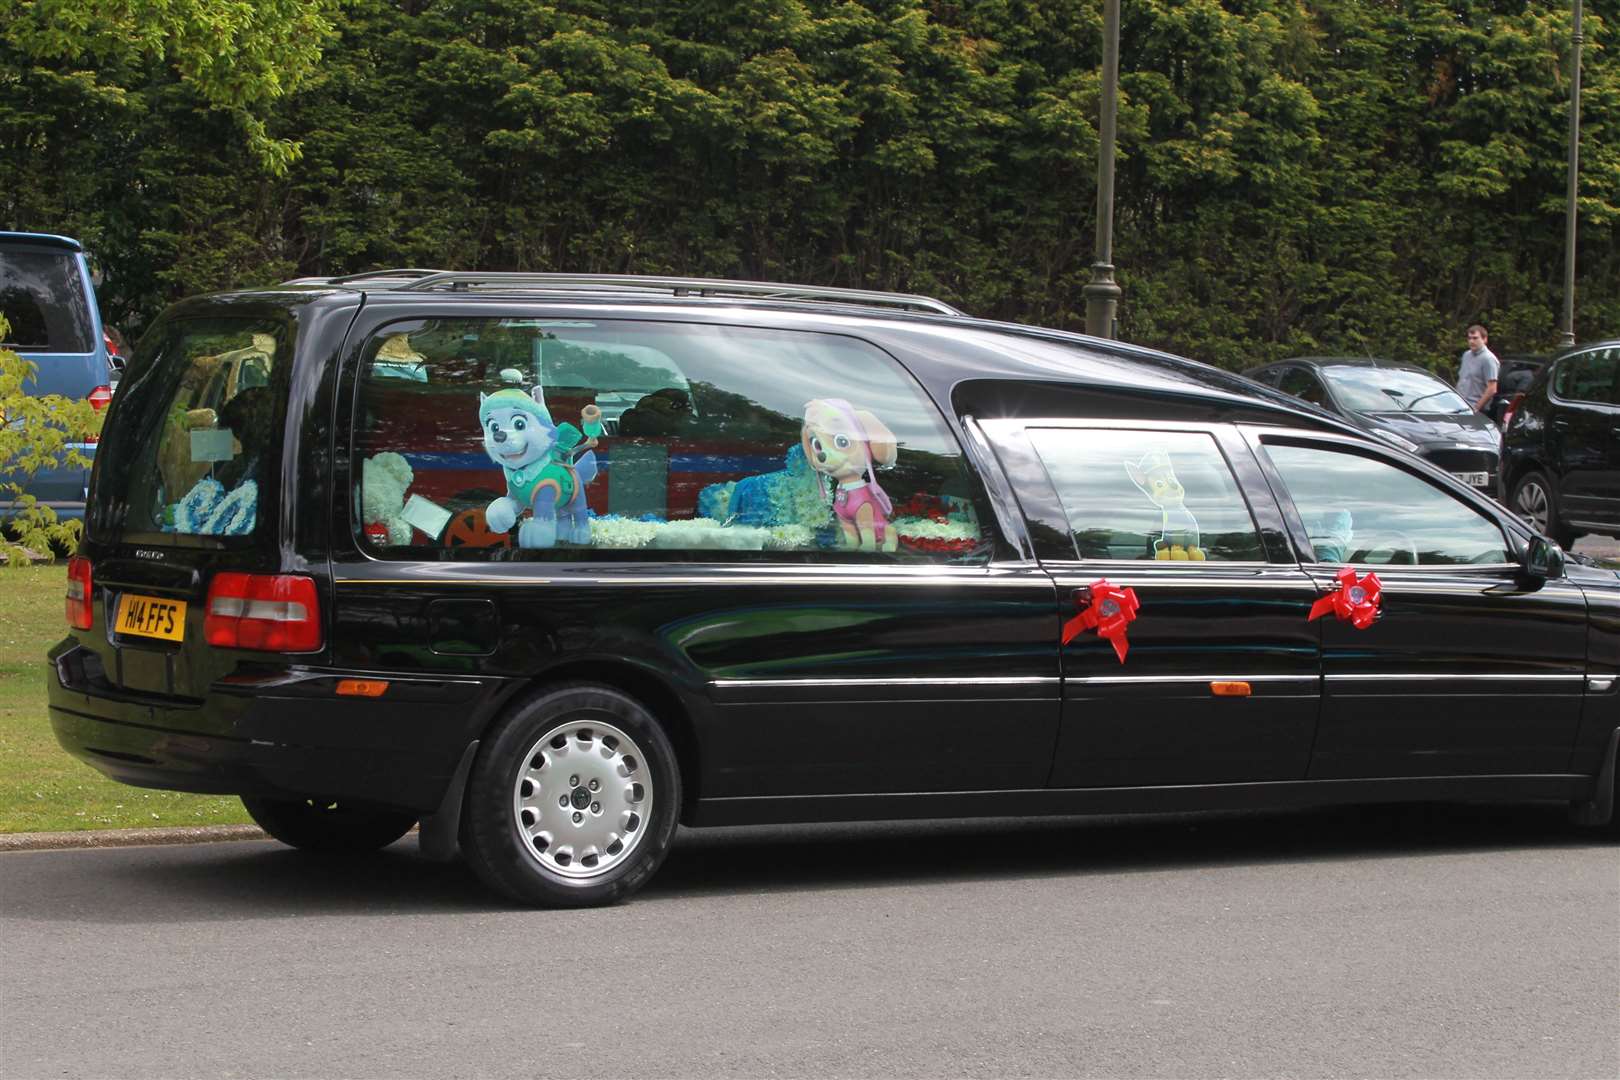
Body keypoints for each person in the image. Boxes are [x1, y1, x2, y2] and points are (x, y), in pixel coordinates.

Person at [1456, 323, 1499, 414]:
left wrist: (1476, 408)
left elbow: (1492, 388)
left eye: (1475, 338)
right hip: (1460, 405)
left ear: (1484, 339)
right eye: (1469, 338)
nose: (1471, 341)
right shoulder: (1466, 355)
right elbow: (1462, 379)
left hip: (1476, 408)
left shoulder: (1488, 359)